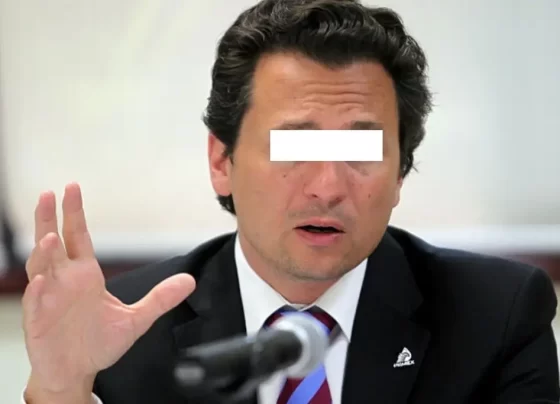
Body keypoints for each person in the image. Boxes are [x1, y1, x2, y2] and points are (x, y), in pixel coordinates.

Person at [21, 0, 559, 403]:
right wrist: (62, 387)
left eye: (361, 150)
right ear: (222, 161)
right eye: (295, 147)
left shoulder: (496, 316)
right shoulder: (128, 327)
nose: (327, 186)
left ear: (401, 172)